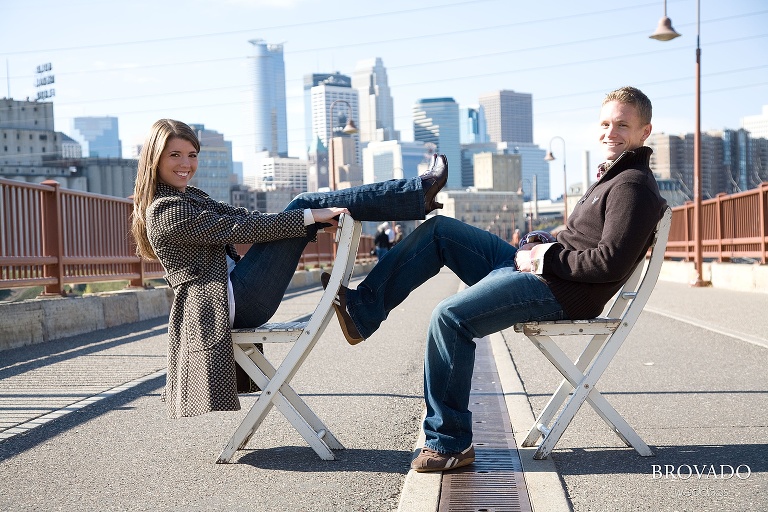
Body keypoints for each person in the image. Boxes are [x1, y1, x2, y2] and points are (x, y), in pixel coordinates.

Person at [321, 86, 667, 472]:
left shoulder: (632, 185)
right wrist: (543, 243)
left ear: (644, 132)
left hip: (560, 291)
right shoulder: (615, 176)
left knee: (450, 317)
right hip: (544, 271)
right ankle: (363, 308)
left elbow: (608, 264)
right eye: (605, 123)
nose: (610, 132)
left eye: (622, 124)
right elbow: (582, 242)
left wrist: (544, 256)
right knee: (439, 232)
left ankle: (449, 443)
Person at [130, 119, 448, 419]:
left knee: (303, 206)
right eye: (175, 155)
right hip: (228, 303)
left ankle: (416, 196)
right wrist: (309, 218)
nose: (186, 164)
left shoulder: (191, 197)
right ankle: (418, 193)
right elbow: (239, 229)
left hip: (234, 296)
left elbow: (245, 216)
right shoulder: (165, 210)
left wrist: (311, 218)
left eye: (192, 155)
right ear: (155, 159)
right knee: (303, 204)